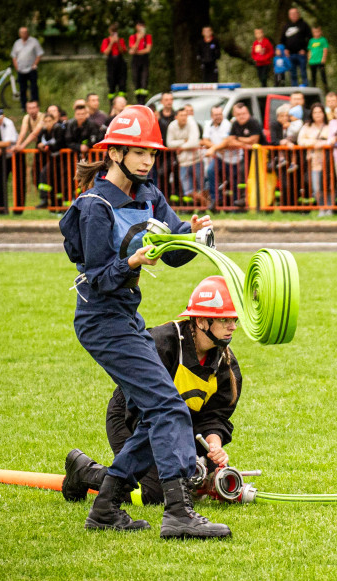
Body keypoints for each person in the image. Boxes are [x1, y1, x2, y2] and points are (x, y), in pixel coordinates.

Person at [58, 104, 229, 539]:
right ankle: (178, 514)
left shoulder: (150, 194)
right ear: (114, 152)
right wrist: (131, 260)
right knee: (169, 406)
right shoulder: (95, 206)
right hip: (100, 320)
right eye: (137, 152)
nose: (147, 160)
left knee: (157, 413)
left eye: (151, 153)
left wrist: (195, 236)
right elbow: (97, 280)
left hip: (127, 316)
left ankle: (105, 507)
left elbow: (172, 253)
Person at [62, 275, 243, 506]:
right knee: (153, 493)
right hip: (132, 417)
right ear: (201, 321)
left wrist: (214, 446)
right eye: (225, 319)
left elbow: (215, 417)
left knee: (187, 478)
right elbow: (141, 409)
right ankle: (84, 471)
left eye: (234, 319)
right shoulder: (162, 343)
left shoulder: (227, 365)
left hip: (180, 426)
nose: (233, 326)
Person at [165, 104, 202, 206]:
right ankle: (207, 204)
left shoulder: (191, 122)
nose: (184, 117)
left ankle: (206, 206)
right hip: (183, 162)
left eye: (186, 115)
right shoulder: (172, 126)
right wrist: (184, 141)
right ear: (176, 117)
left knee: (202, 187)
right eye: (181, 115)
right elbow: (169, 143)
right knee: (188, 191)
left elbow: (194, 142)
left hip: (196, 160)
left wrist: (180, 147)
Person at [299, 102, 331, 214]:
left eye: (320, 112)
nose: (317, 114)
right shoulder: (307, 127)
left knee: (329, 186)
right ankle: (321, 208)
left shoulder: (330, 125)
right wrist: (313, 143)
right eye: (315, 112)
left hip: (328, 160)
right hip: (314, 161)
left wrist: (323, 143)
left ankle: (330, 209)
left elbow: (333, 139)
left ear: (324, 113)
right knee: (317, 187)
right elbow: (301, 141)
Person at [34, 111, 67, 210]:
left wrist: (47, 146)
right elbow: (38, 142)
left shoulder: (58, 129)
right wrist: (40, 145)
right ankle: (45, 199)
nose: (48, 123)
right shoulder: (43, 131)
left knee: (59, 182)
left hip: (62, 159)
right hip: (52, 159)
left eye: (50, 121)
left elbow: (60, 143)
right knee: (45, 175)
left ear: (54, 121)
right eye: (46, 121)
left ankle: (60, 205)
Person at [10, 27, 43, 110]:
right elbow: (14, 56)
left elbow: (39, 54)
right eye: (22, 32)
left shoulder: (34, 41)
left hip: (31, 69)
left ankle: (35, 105)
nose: (24, 34)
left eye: (25, 32)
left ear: (28, 33)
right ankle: (24, 106)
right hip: (21, 69)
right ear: (19, 34)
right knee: (22, 88)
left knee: (33, 87)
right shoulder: (17, 43)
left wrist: (35, 64)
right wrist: (16, 67)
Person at [282, 8, 311, 87]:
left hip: (301, 54)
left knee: (303, 72)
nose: (293, 15)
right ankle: (294, 88)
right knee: (292, 73)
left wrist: (305, 49)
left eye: (295, 13)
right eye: (291, 14)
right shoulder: (286, 26)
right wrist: (285, 49)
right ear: (289, 16)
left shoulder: (304, 25)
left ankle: (305, 86)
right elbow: (282, 40)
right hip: (290, 55)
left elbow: (310, 38)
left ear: (298, 14)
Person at [101, 24, 129, 103]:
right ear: (109, 32)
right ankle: (112, 104)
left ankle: (122, 102)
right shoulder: (106, 41)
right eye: (112, 32)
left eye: (115, 32)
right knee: (111, 85)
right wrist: (111, 42)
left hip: (120, 64)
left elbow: (123, 51)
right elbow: (106, 52)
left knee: (122, 85)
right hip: (111, 64)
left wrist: (118, 42)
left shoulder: (121, 40)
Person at [129, 21, 152, 104]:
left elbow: (148, 49)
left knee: (144, 80)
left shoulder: (148, 37)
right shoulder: (133, 37)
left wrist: (136, 51)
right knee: (136, 79)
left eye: (143, 26)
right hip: (135, 61)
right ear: (136, 27)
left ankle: (143, 100)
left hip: (144, 60)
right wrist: (139, 39)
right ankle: (138, 100)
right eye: (139, 26)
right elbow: (132, 49)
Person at [308, 26, 329, 91]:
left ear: (320, 32)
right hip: (312, 61)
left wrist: (324, 58)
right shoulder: (311, 40)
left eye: (317, 31)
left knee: (323, 76)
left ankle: (326, 89)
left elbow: (325, 50)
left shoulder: (323, 40)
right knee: (313, 76)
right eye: (314, 32)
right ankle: (313, 89)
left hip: (320, 61)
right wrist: (309, 59)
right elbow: (309, 50)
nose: (316, 33)